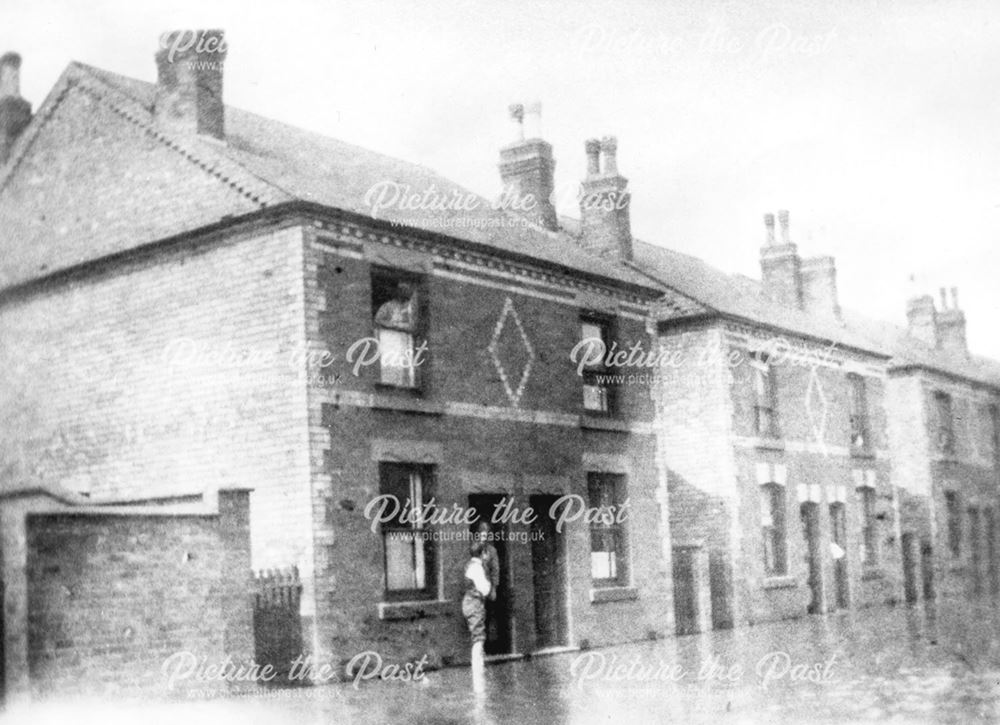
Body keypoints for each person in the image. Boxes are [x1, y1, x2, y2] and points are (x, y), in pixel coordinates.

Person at [462, 540, 492, 693]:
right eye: (486, 552)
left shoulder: (470, 565)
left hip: (468, 602)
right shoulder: (477, 568)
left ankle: (479, 669)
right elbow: (485, 589)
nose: (488, 555)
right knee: (478, 638)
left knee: (477, 636)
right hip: (475, 603)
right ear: (483, 553)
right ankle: (477, 675)